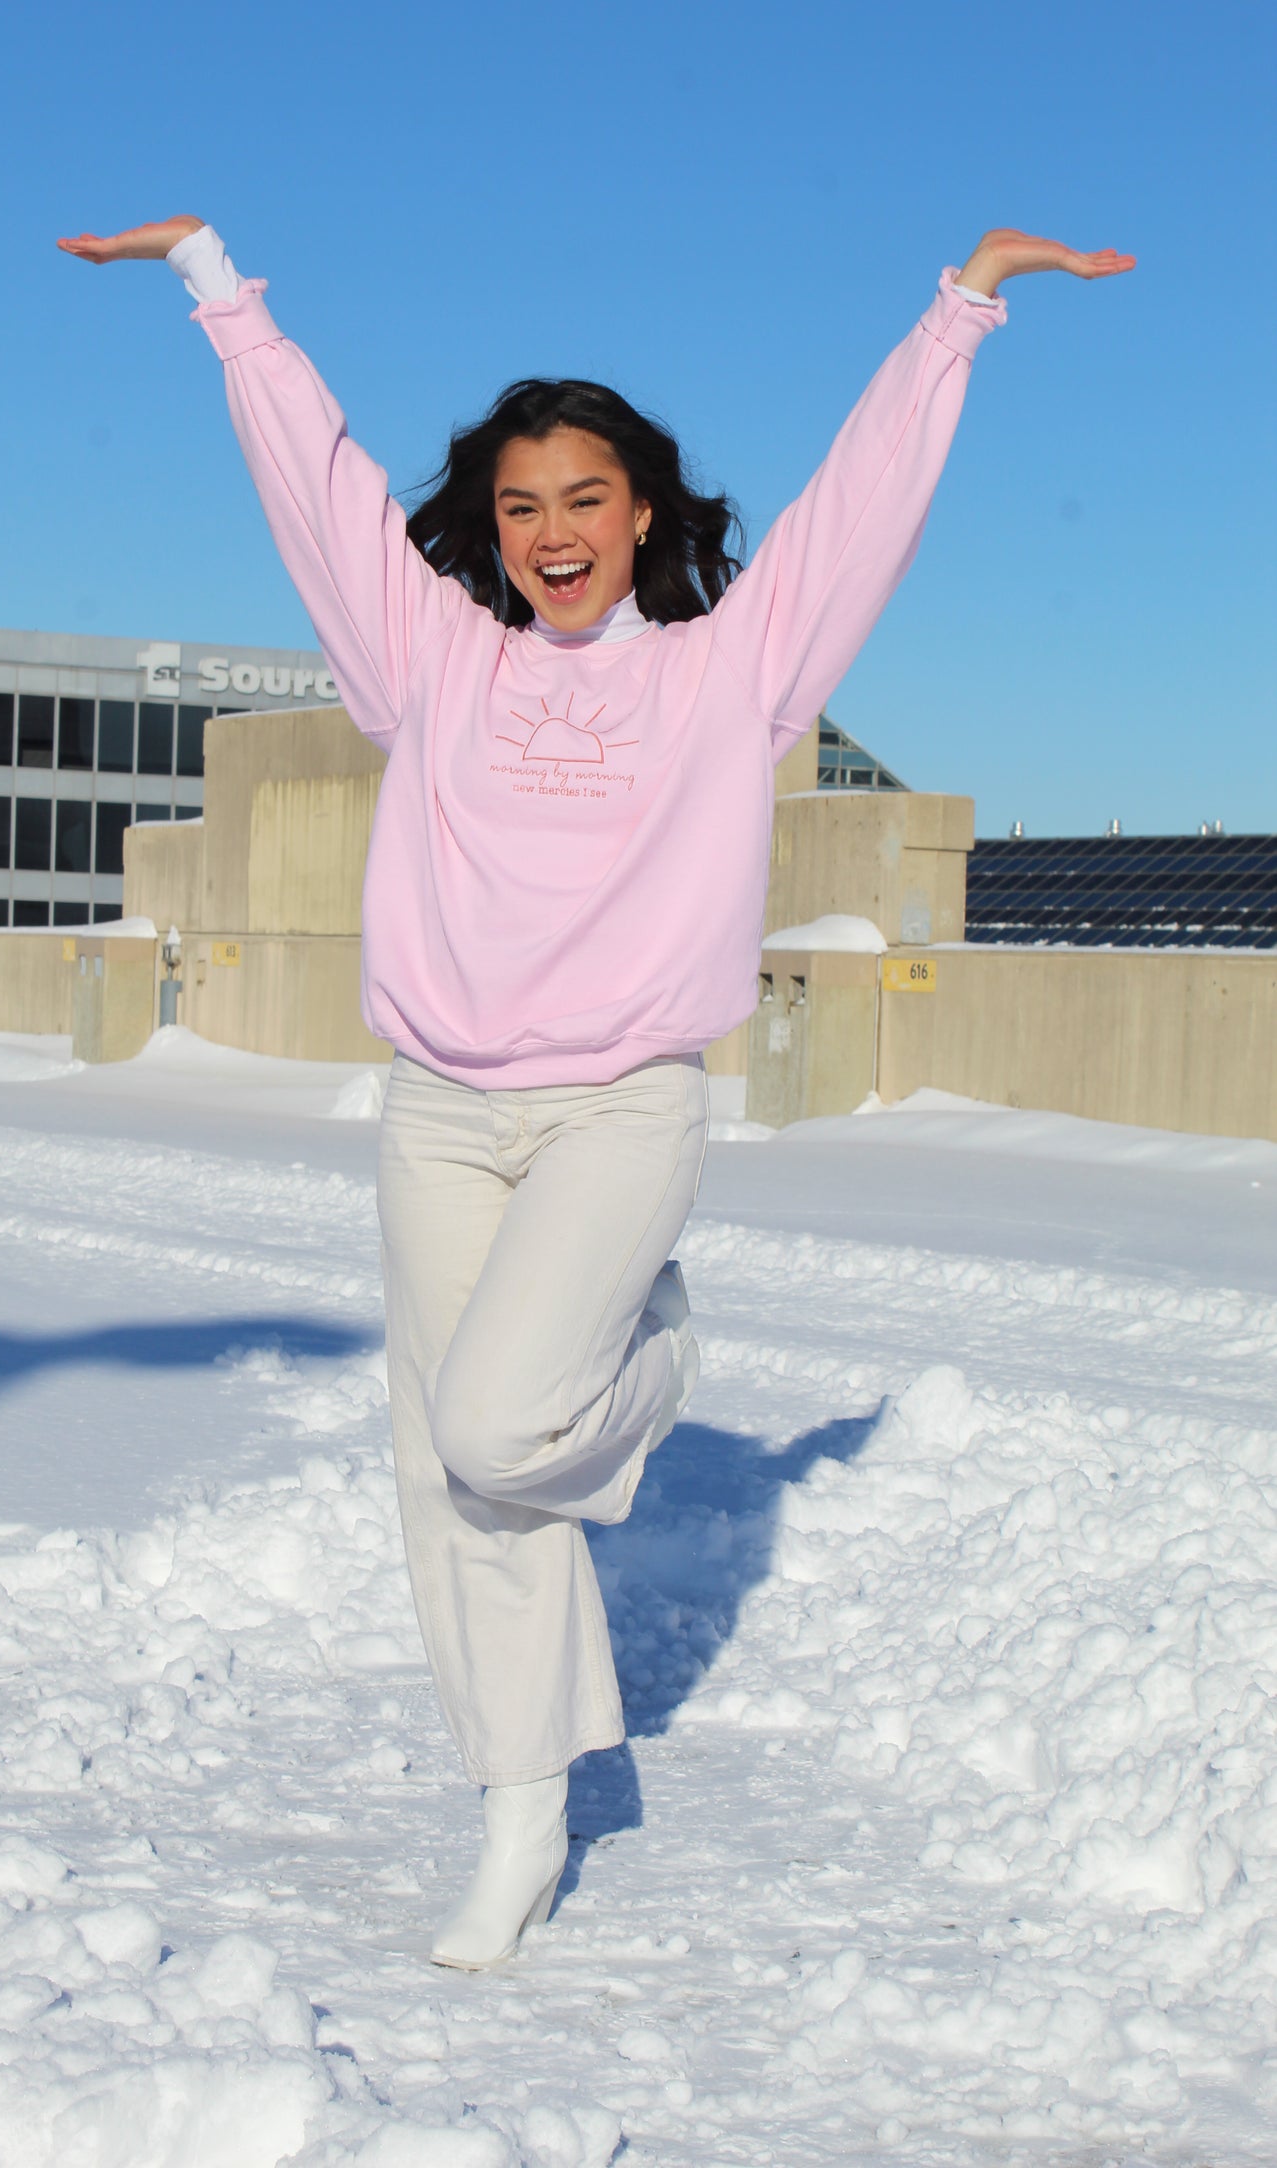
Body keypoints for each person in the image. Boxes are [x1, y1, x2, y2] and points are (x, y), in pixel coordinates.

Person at [58, 215, 1133, 1969]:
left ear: (644, 512)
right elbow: (321, 500)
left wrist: (960, 313)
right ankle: (519, 1810)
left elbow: (857, 517)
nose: (552, 535)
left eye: (585, 499)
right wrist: (214, 287)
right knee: (453, 1476)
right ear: (493, 534)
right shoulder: (432, 667)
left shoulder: (731, 676)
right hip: (437, 1111)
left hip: (619, 1109)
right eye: (518, 508)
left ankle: (658, 1354)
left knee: (501, 1423)